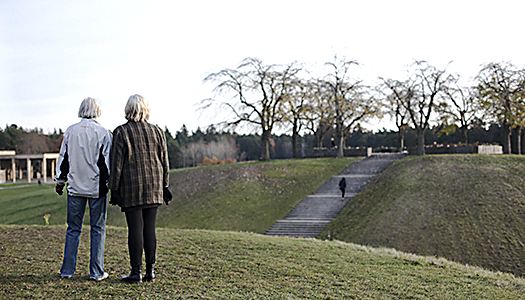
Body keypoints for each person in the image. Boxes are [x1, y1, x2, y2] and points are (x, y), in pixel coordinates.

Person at [108, 94, 172, 284]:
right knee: (150, 229)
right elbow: (164, 162)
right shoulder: (158, 131)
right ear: (145, 110)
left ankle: (136, 272)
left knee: (135, 228)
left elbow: (116, 164)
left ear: (128, 110)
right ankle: (150, 271)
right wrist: (165, 185)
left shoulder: (121, 132)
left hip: (132, 187)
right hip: (154, 185)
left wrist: (114, 189)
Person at [55, 97, 112, 281]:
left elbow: (64, 160)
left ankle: (67, 271)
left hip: (75, 187)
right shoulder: (104, 132)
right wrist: (111, 185)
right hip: (96, 188)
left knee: (73, 229)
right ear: (97, 111)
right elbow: (107, 163)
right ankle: (96, 272)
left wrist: (60, 181)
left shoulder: (70, 131)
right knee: (97, 229)